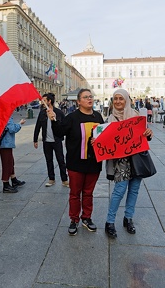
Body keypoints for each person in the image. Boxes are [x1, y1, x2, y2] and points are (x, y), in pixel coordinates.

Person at [47, 89, 104, 235]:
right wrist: (53, 119)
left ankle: (86, 218)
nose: (89, 99)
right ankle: (74, 220)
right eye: (85, 97)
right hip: (75, 162)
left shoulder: (98, 117)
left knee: (88, 193)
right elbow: (59, 133)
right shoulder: (72, 117)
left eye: (91, 96)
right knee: (74, 193)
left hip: (93, 163)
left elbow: (104, 138)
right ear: (78, 101)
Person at [104, 89, 153, 238]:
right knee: (120, 190)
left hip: (137, 158)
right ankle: (110, 222)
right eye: (115, 99)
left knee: (134, 189)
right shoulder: (109, 120)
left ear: (127, 100)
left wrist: (148, 134)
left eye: (121, 98)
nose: (118, 101)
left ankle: (128, 218)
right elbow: (105, 142)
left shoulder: (137, 117)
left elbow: (145, 137)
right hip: (121, 161)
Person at [33, 93, 69, 187]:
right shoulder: (42, 113)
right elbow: (38, 127)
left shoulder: (59, 112)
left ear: (49, 101)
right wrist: (35, 140)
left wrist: (66, 139)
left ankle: (64, 180)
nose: (42, 102)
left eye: (44, 100)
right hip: (46, 141)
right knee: (49, 160)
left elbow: (65, 127)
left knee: (60, 160)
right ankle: (51, 179)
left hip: (57, 141)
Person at [0, 116, 26, 193]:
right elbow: (12, 129)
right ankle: (5, 184)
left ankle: (14, 179)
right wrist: (20, 123)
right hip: (5, 143)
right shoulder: (6, 117)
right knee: (7, 164)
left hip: (6, 143)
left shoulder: (3, 115)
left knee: (10, 162)